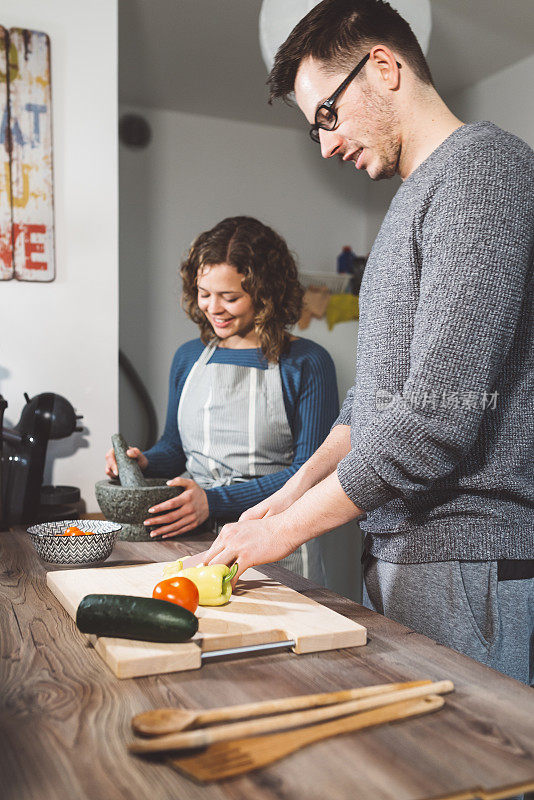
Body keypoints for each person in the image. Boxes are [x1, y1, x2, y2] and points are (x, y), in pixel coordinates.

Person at [202, 0, 534, 686]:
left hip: (467, 563)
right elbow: (370, 406)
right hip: (406, 556)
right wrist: (286, 498)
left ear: (384, 66)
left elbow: (438, 418)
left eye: (327, 114)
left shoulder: (482, 171)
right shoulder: (412, 200)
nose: (325, 144)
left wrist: (279, 535)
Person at [106, 215, 339, 584]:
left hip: (278, 547)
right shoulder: (188, 357)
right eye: (204, 294)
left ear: (266, 295)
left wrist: (213, 503)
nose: (213, 308)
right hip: (196, 540)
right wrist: (145, 461)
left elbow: (310, 475)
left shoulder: (308, 363)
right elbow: (176, 447)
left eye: (230, 297)